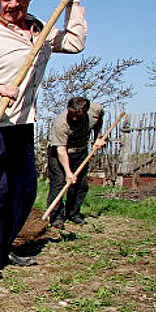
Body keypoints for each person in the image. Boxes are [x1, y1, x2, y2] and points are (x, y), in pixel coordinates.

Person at [0, 0, 89, 280]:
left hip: (22, 123)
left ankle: (2, 248)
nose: (12, 4)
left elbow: (74, 43)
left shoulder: (40, 30)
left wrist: (72, 2)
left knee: (23, 192)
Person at [46, 96, 105, 228]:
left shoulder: (95, 110)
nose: (73, 118)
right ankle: (56, 217)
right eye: (71, 114)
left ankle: (73, 213)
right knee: (59, 184)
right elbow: (61, 150)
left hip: (80, 152)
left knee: (80, 185)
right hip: (59, 154)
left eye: (77, 116)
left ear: (86, 112)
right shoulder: (60, 123)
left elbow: (99, 120)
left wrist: (98, 138)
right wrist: (68, 172)